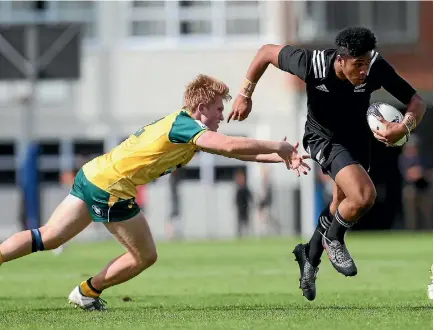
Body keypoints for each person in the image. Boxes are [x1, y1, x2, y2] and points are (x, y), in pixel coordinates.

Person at [0, 74, 311, 311]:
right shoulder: (186, 127)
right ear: (201, 108)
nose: (220, 115)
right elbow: (230, 144)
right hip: (111, 187)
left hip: (94, 174)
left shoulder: (186, 128)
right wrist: (277, 145)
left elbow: (232, 153)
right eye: (218, 109)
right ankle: (86, 292)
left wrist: (280, 157)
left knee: (49, 236)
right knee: (144, 256)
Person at [228, 26, 426, 301]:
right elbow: (265, 53)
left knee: (340, 206)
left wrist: (404, 127)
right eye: (358, 65)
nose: (364, 71)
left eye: (367, 64)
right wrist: (245, 94)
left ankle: (308, 256)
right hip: (323, 139)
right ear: (340, 60)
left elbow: (416, 100)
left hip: (357, 141)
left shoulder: (376, 66)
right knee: (364, 196)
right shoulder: (313, 63)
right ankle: (333, 239)